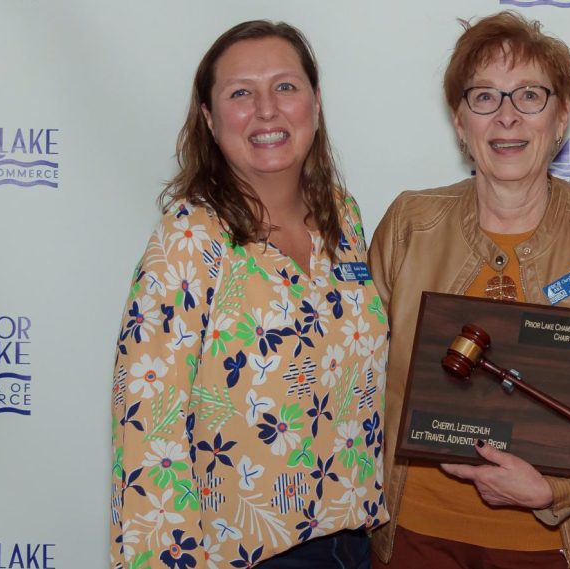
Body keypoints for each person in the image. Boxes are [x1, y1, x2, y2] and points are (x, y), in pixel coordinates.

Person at [367, 11, 570, 569]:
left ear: (560, 117)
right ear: (460, 121)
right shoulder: (411, 223)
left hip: (554, 546)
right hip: (416, 536)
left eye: (529, 95)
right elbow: (356, 379)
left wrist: (556, 488)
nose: (507, 117)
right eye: (484, 97)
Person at [109, 21, 387, 569]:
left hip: (352, 543)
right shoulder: (190, 239)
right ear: (210, 120)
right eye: (241, 93)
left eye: (285, 86)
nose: (266, 110)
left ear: (314, 101)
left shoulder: (343, 218)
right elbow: (148, 429)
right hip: (241, 555)